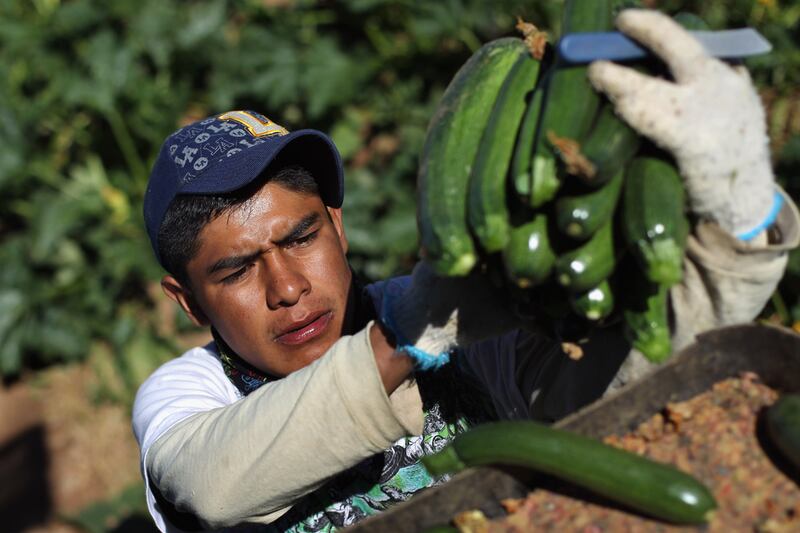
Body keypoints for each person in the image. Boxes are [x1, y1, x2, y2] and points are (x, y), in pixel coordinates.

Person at [132, 10, 799, 532]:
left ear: (337, 226)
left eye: (301, 236)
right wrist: (405, 340)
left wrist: (738, 221)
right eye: (237, 270)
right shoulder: (187, 396)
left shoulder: (451, 313)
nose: (287, 287)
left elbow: (627, 384)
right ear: (186, 301)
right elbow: (211, 482)